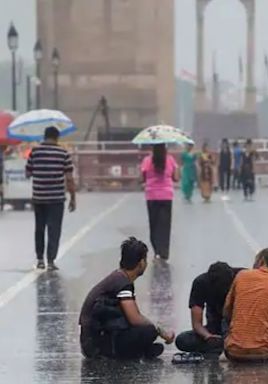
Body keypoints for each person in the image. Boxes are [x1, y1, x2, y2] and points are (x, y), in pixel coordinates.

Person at [79, 237, 175, 359]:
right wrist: (159, 330)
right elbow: (134, 318)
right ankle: (131, 352)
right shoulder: (123, 283)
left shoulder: (118, 278)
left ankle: (140, 351)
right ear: (141, 263)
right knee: (149, 331)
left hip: (92, 341)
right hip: (95, 345)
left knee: (144, 333)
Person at [26, 126, 76, 271]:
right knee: (54, 230)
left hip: (39, 197)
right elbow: (69, 178)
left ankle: (40, 259)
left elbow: (28, 173)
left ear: (44, 136)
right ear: (57, 137)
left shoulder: (35, 152)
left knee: (39, 228)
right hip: (57, 198)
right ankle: (51, 261)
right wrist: (73, 198)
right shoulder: (63, 153)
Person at [175, 262, 243, 355]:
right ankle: (226, 346)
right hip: (215, 330)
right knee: (182, 340)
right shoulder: (201, 283)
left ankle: (227, 346)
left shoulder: (243, 278)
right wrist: (208, 336)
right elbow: (197, 324)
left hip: (239, 329)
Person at [140, 143, 179, 261]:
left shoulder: (147, 160)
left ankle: (157, 251)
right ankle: (164, 252)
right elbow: (176, 178)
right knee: (165, 226)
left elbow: (142, 178)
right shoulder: (170, 159)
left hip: (151, 196)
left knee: (154, 225)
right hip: (166, 196)